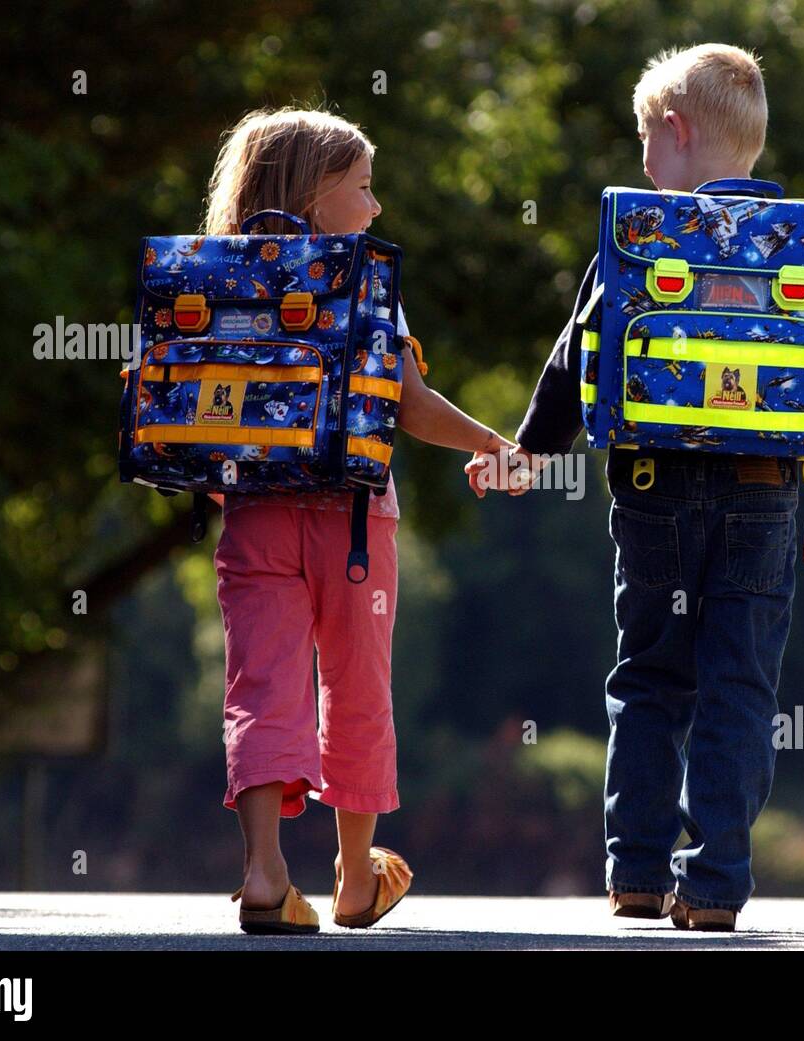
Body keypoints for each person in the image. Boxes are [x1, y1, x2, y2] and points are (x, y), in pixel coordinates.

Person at [468, 44, 804, 931]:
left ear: (676, 133)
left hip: (653, 488)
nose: (643, 156)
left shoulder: (643, 233)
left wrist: (529, 452)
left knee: (649, 675)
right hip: (768, 493)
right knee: (740, 685)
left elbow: (578, 354)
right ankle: (716, 880)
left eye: (647, 135)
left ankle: (638, 871)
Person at [203, 106, 516, 932]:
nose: (376, 209)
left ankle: (265, 871)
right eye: (365, 188)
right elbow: (408, 405)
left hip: (253, 517)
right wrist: (493, 442)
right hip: (353, 521)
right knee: (356, 687)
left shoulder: (212, 273)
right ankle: (353, 874)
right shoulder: (360, 280)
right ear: (313, 195)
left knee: (261, 687)